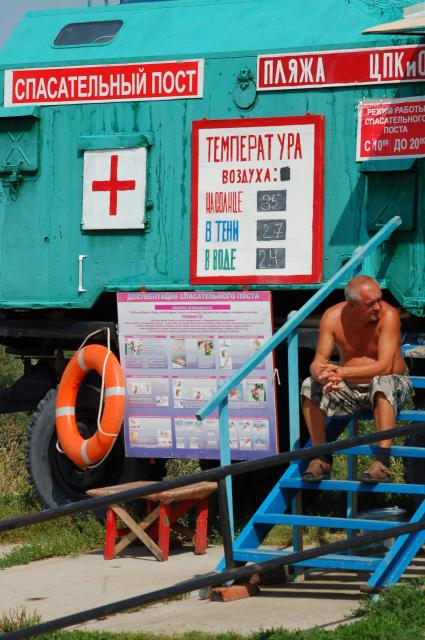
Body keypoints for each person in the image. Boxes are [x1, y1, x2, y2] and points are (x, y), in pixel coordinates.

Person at [300, 275, 412, 483]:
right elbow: (318, 362)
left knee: (382, 381)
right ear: (351, 305)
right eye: (371, 304)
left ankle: (382, 462)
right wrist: (323, 376)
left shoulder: (389, 315)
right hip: (351, 390)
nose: (378, 306)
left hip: (390, 385)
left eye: (380, 299)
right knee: (309, 386)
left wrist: (342, 373)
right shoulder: (332, 316)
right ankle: (321, 457)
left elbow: (385, 366)